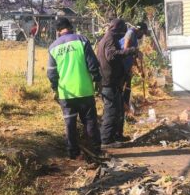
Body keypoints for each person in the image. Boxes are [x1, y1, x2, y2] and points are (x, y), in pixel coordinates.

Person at [47, 17, 101, 159]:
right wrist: (98, 81)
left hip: (66, 93)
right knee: (90, 122)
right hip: (85, 90)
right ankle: (95, 150)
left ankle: (73, 153)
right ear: (71, 27)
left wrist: (55, 89)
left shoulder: (53, 47)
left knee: (70, 124)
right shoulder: (82, 40)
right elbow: (93, 65)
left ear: (58, 31)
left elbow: (51, 73)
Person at [97, 18, 138, 146]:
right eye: (122, 31)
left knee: (118, 109)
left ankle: (116, 136)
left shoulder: (108, 38)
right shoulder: (109, 38)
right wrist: (130, 51)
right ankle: (106, 140)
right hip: (108, 81)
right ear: (118, 29)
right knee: (111, 110)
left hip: (113, 81)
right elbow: (112, 55)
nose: (122, 34)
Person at [119, 22, 149, 115]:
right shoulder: (130, 33)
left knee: (128, 88)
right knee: (122, 88)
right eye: (143, 33)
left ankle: (127, 110)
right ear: (140, 30)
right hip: (122, 65)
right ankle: (123, 110)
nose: (142, 36)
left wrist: (139, 69)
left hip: (127, 66)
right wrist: (136, 52)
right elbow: (125, 49)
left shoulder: (135, 36)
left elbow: (133, 56)